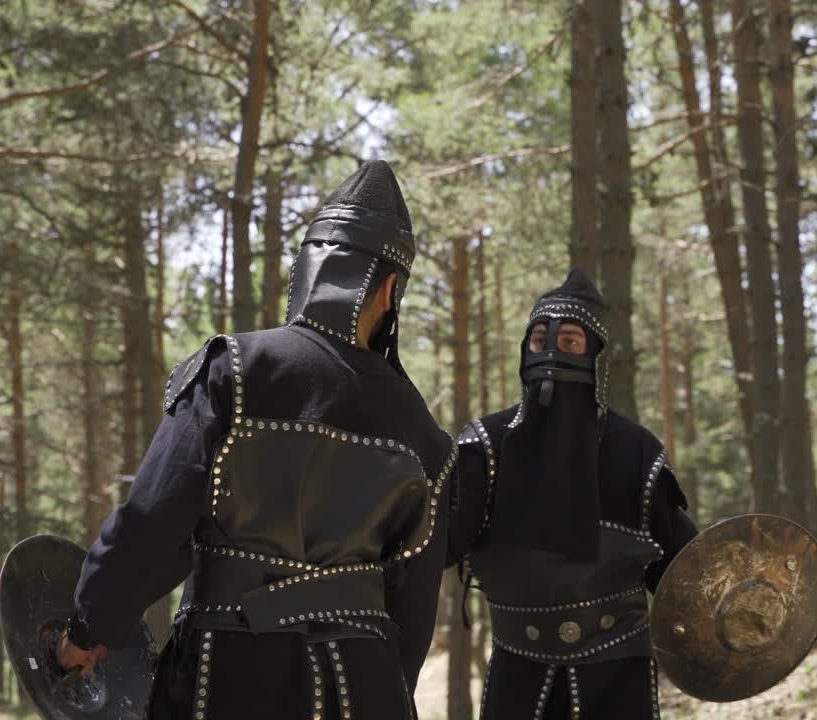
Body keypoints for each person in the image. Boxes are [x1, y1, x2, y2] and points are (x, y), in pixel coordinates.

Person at [58, 161, 455, 720]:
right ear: (390, 291)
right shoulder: (426, 438)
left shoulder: (236, 371)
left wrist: (90, 624)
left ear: (309, 268)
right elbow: (412, 607)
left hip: (229, 675)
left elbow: (154, 520)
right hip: (365, 686)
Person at [448, 269, 698, 720]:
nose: (550, 354)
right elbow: (439, 546)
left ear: (596, 358)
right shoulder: (485, 445)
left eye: (569, 344)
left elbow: (682, 572)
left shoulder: (637, 451)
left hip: (616, 672)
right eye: (539, 340)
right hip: (516, 669)